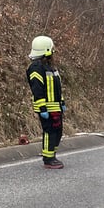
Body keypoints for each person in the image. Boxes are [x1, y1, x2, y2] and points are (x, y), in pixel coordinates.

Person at [26, 35, 65, 169]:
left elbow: (57, 87)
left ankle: (52, 154)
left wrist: (62, 102)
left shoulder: (50, 67)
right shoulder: (36, 68)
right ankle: (48, 159)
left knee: (58, 131)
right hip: (47, 108)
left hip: (56, 106)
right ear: (46, 50)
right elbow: (37, 89)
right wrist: (42, 108)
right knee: (50, 131)